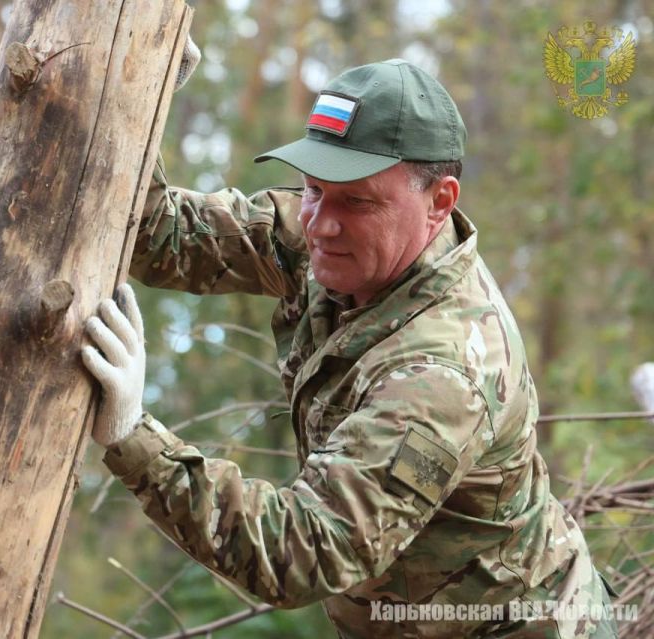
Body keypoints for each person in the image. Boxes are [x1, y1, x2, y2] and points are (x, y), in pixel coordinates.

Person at [80, 57, 619, 638]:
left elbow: (305, 551)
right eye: (313, 189)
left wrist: (133, 436)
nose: (320, 224)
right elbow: (162, 234)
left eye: (357, 203)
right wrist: (139, 91)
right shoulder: (334, 241)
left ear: (440, 200)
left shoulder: (441, 374)